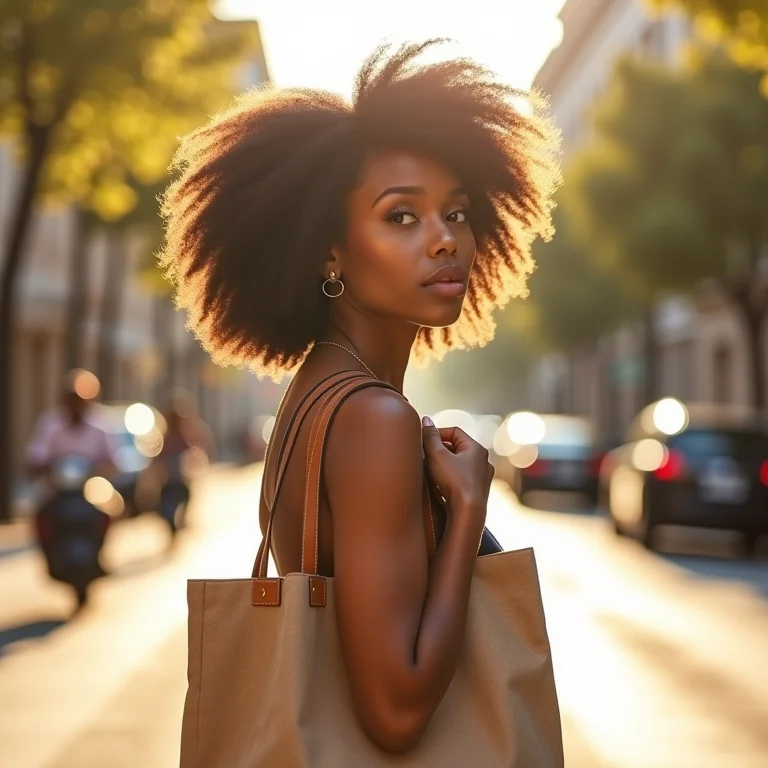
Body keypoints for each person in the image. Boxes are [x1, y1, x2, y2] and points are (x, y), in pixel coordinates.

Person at [160, 41, 559, 753]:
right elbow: (395, 712)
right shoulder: (373, 417)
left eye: (457, 213)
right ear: (330, 250)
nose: (445, 240)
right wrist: (468, 508)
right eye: (401, 216)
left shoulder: (316, 392)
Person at [26, 369, 116, 480]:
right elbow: (36, 457)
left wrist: (96, 471)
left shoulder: (102, 425)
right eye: (73, 397)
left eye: (81, 399)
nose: (76, 403)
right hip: (55, 483)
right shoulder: (51, 423)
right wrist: (52, 468)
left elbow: (112, 463)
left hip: (90, 484)